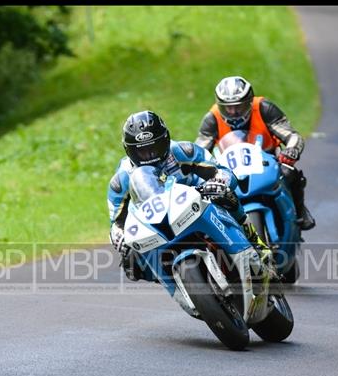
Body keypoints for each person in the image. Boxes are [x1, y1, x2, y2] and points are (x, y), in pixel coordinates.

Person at [107, 109, 271, 282]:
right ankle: (172, 282)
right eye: (142, 152)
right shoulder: (121, 179)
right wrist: (121, 238)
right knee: (131, 262)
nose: (150, 156)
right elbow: (116, 222)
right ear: (129, 151)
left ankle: (255, 243)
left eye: (155, 148)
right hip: (156, 220)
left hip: (195, 199)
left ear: (166, 140)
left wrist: (218, 183)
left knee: (226, 195)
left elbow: (223, 171)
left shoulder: (182, 151)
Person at [195, 75, 316, 230]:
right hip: (231, 169)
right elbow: (199, 150)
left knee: (289, 172)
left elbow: (292, 135)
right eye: (227, 107)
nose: (233, 112)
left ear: (250, 102)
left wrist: (291, 150)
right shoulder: (212, 118)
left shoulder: (264, 108)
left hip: (267, 162)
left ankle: (300, 212)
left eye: (239, 106)